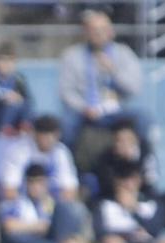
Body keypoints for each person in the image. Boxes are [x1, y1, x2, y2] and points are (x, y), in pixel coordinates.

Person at [59, 9, 143, 156]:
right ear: (85, 32)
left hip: (116, 110)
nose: (98, 34)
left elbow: (134, 88)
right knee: (66, 126)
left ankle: (141, 171)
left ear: (111, 32)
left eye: (102, 29)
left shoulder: (124, 53)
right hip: (84, 111)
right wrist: (84, 108)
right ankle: (69, 170)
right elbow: (66, 92)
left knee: (144, 120)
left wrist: (114, 71)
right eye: (93, 30)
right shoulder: (72, 56)